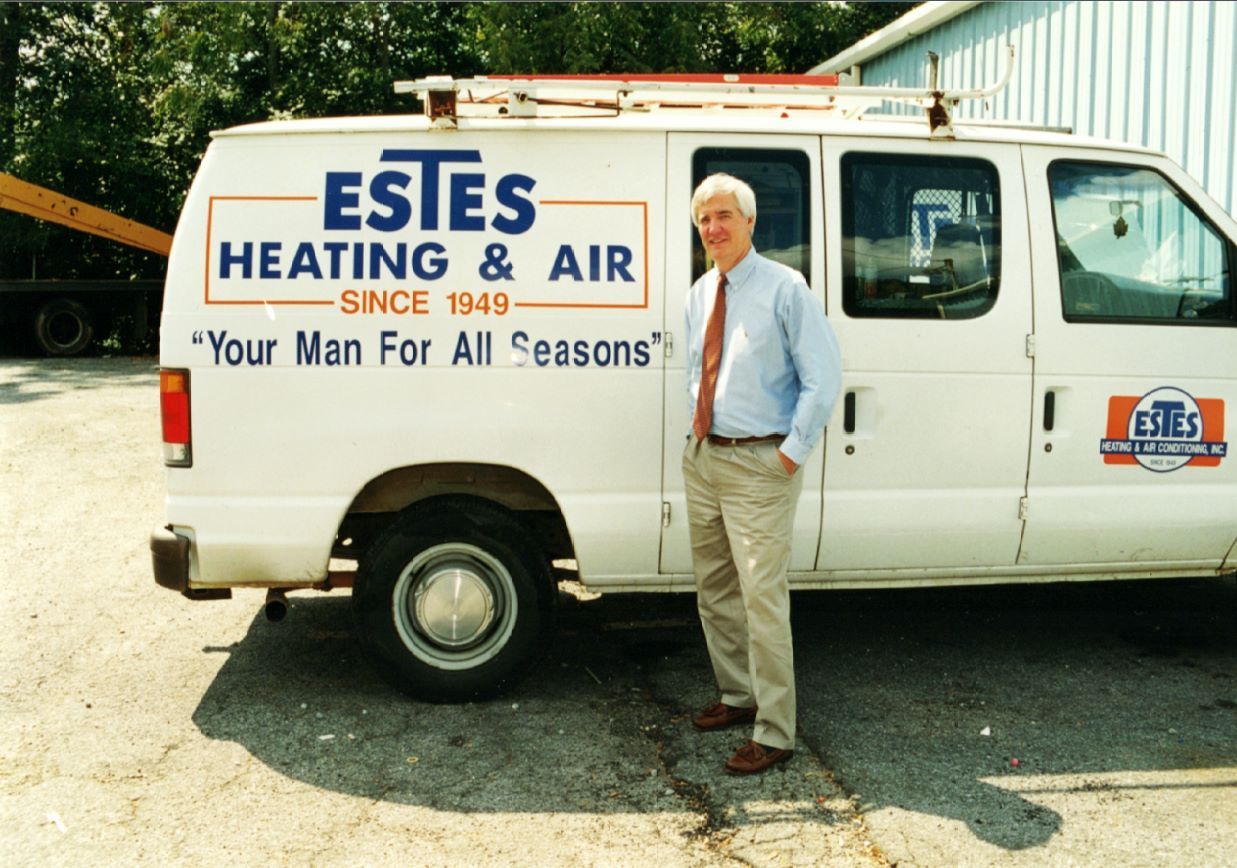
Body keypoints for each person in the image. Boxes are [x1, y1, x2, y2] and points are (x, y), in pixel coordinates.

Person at [682, 172, 842, 775]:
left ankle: (775, 731)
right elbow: (698, 371)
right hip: (705, 458)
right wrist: (696, 441)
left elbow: (823, 377)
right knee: (716, 591)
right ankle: (736, 696)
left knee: (762, 599)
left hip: (759, 463)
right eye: (704, 219)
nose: (714, 228)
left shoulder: (785, 288)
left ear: (750, 222)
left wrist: (789, 454)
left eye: (724, 215)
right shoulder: (701, 292)